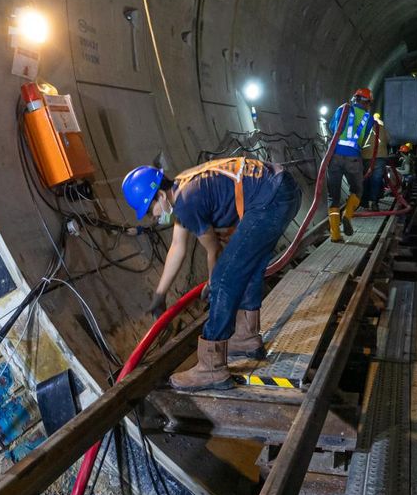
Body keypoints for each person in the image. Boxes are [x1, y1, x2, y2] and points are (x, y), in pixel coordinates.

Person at [122, 157, 301, 391]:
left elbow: (213, 249)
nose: (153, 217)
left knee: (226, 277)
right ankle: (246, 338)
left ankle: (211, 368)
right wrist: (160, 294)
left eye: (149, 210)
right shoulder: (182, 190)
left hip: (271, 199)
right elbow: (178, 247)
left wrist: (214, 282)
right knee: (250, 266)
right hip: (280, 190)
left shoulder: (187, 202)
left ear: (161, 196)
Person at [325, 87, 374, 242]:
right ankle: (347, 215)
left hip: (335, 156)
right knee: (357, 190)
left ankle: (335, 234)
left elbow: (332, 127)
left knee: (333, 196)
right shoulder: (369, 118)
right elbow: (364, 138)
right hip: (353, 158)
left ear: (355, 98)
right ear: (367, 103)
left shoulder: (342, 109)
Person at [361, 113, 389, 210]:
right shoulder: (382, 127)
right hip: (379, 157)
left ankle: (364, 203)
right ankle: (374, 203)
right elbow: (388, 139)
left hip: (365, 157)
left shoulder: (363, 127)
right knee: (376, 180)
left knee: (365, 179)